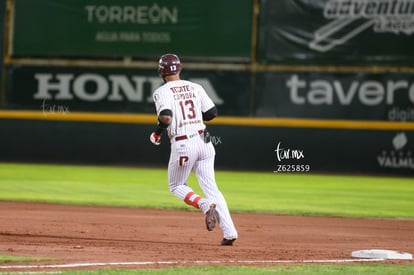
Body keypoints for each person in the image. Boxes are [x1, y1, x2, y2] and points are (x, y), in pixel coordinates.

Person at [149, 53, 238, 246]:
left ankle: (203, 204)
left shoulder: (162, 92)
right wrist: (193, 116)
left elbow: (165, 117)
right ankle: (230, 233)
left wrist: (157, 133)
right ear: (179, 69)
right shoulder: (195, 87)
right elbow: (212, 113)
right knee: (212, 188)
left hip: (183, 144)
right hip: (204, 141)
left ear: (160, 72)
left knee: (176, 186)